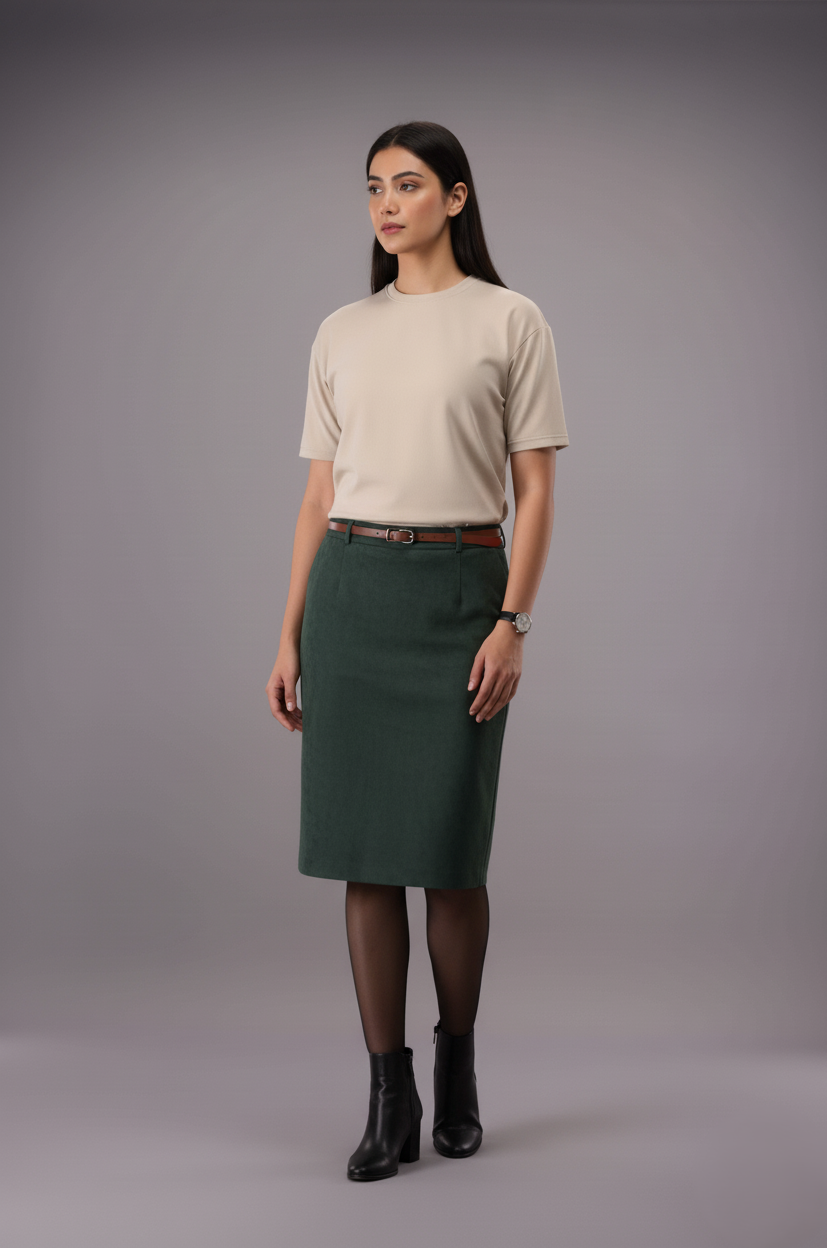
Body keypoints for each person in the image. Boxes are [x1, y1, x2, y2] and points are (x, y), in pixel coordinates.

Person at [265, 120, 569, 1181]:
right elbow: (316, 498)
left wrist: (512, 623)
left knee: (446, 855)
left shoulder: (510, 319)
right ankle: (387, 1097)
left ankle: (458, 1068)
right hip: (353, 595)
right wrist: (289, 633)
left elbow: (536, 491)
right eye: (372, 188)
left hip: (458, 591)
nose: (385, 205)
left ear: (455, 196)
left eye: (406, 185)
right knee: (365, 856)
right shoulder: (341, 331)